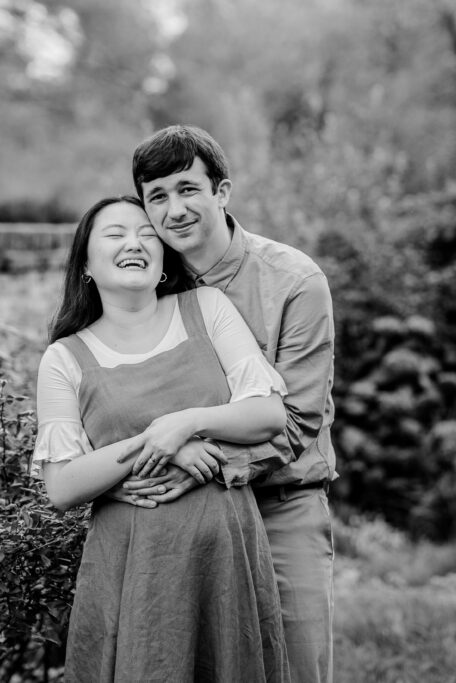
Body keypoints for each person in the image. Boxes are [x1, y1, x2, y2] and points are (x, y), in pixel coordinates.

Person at [31, 195, 290, 682]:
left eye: (147, 234)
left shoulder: (207, 308)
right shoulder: (64, 359)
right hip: (133, 567)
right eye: (115, 235)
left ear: (165, 258)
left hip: (225, 556)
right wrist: (158, 440)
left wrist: (185, 423)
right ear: (85, 263)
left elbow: (267, 413)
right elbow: (62, 486)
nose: (134, 243)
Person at [123, 125, 337, 682]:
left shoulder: (294, 282)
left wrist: (204, 465)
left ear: (222, 192)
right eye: (158, 196)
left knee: (295, 665)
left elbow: (297, 421)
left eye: (189, 189)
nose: (175, 210)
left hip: (280, 506)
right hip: (176, 514)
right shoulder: (144, 285)